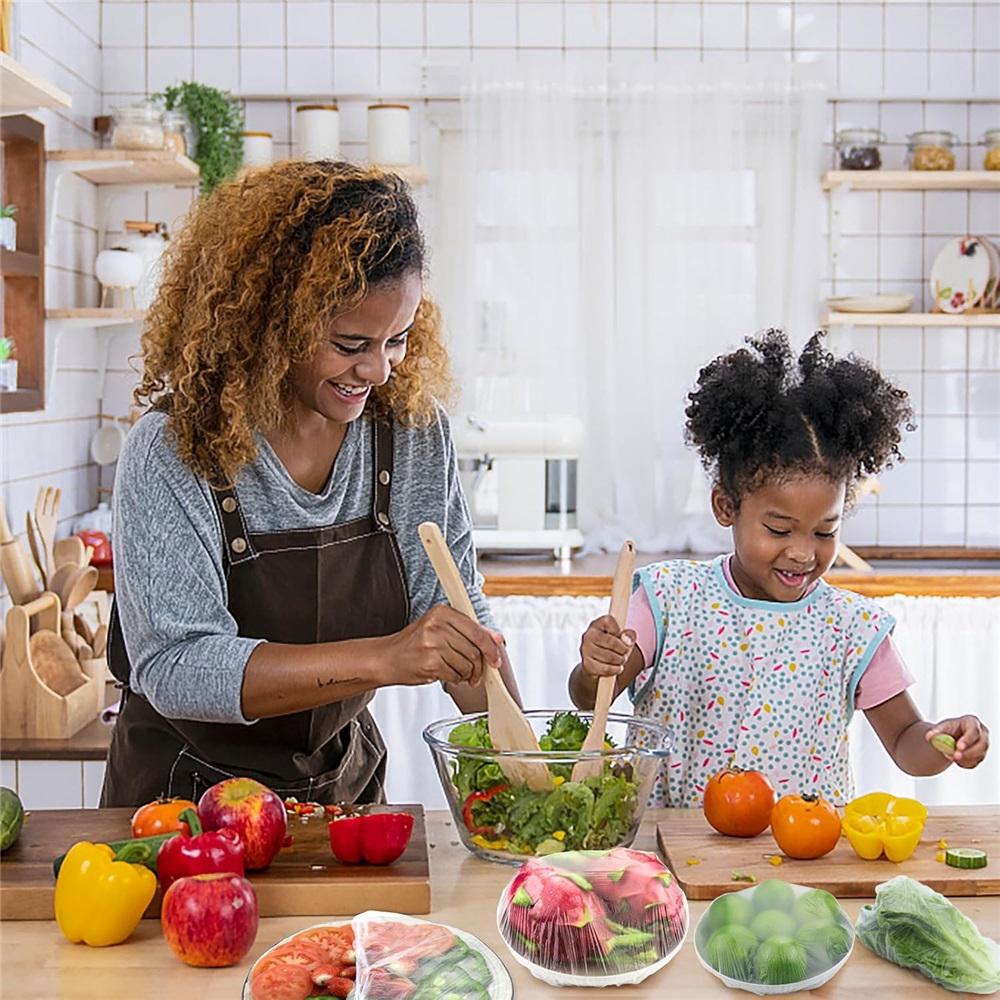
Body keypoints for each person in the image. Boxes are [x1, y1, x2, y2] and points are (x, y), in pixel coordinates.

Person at [101, 161, 521, 807]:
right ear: (272, 325)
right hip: (182, 802)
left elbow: (455, 615)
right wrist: (384, 659)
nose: (379, 369)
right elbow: (176, 667)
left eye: (398, 339)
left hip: (339, 787)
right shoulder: (175, 448)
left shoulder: (409, 430)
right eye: (351, 343)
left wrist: (529, 763)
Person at [569, 330, 990, 807]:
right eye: (779, 529)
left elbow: (905, 741)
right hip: (673, 853)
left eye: (824, 531)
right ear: (726, 507)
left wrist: (943, 740)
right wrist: (594, 664)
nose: (803, 553)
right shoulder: (669, 599)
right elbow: (590, 699)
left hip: (802, 861)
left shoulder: (852, 626)